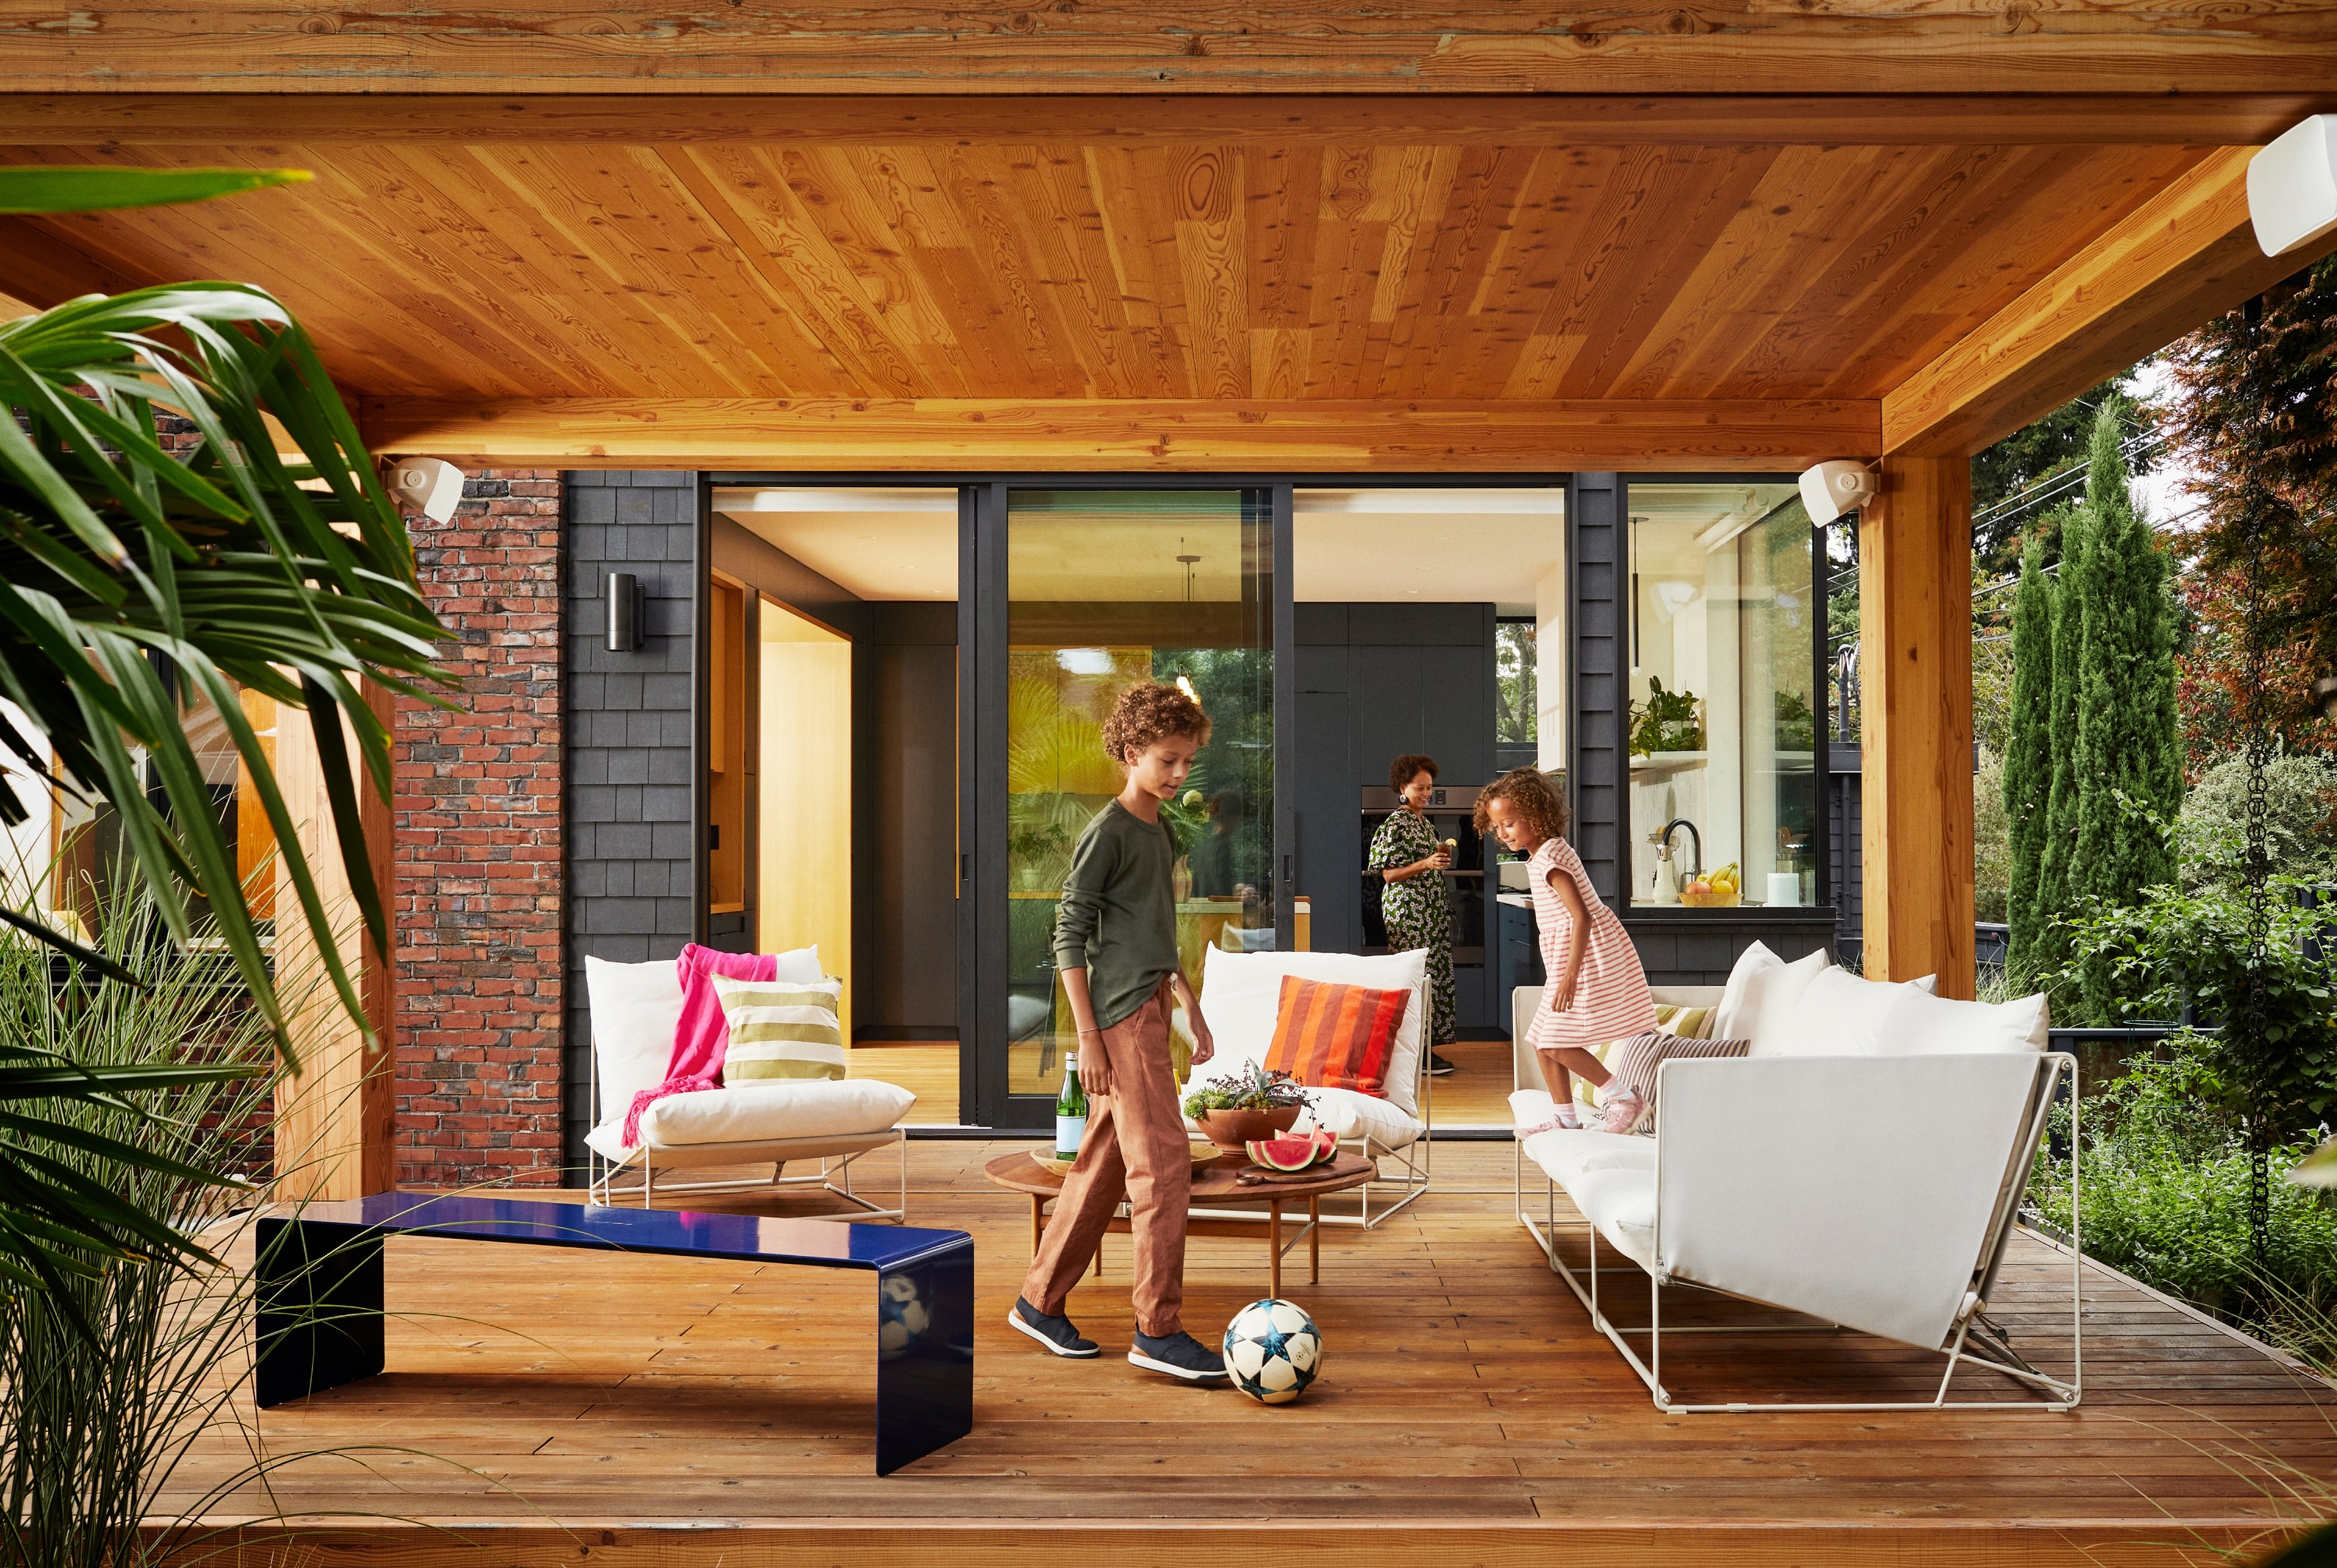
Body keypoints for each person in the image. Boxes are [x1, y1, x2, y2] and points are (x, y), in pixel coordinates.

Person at [1010, 680, 1229, 1384]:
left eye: (1188, 762)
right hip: (1121, 1020)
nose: (1178, 774)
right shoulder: (1108, 831)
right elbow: (1068, 935)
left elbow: (1156, 936)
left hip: (1153, 1007)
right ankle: (1156, 1330)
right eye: (1167, 760)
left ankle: (1039, 1300)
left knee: (1104, 1160)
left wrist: (1191, 1007)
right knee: (1163, 1168)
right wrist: (1089, 1039)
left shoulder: (1159, 830)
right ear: (1131, 754)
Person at [1475, 766, 1657, 1135]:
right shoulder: (1542, 854)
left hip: (1588, 956)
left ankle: (1625, 1099)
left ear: (1536, 816)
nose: (1502, 833)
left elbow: (1582, 918)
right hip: (1572, 955)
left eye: (1508, 823)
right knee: (1543, 1040)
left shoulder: (1552, 857)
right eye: (1496, 827)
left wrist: (1570, 976)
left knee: (1556, 1042)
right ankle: (1566, 1119)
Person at [1368, 754, 1457, 1076]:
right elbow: (1389, 875)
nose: (1426, 794)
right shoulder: (1396, 824)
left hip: (1429, 911)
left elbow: (1427, 865)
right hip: (1408, 913)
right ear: (1402, 788)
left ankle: (1424, 1049)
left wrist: (1437, 866)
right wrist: (1426, 864)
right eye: (1420, 788)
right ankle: (1411, 1053)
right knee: (1414, 977)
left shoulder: (1425, 823)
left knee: (1431, 976)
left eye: (1429, 788)